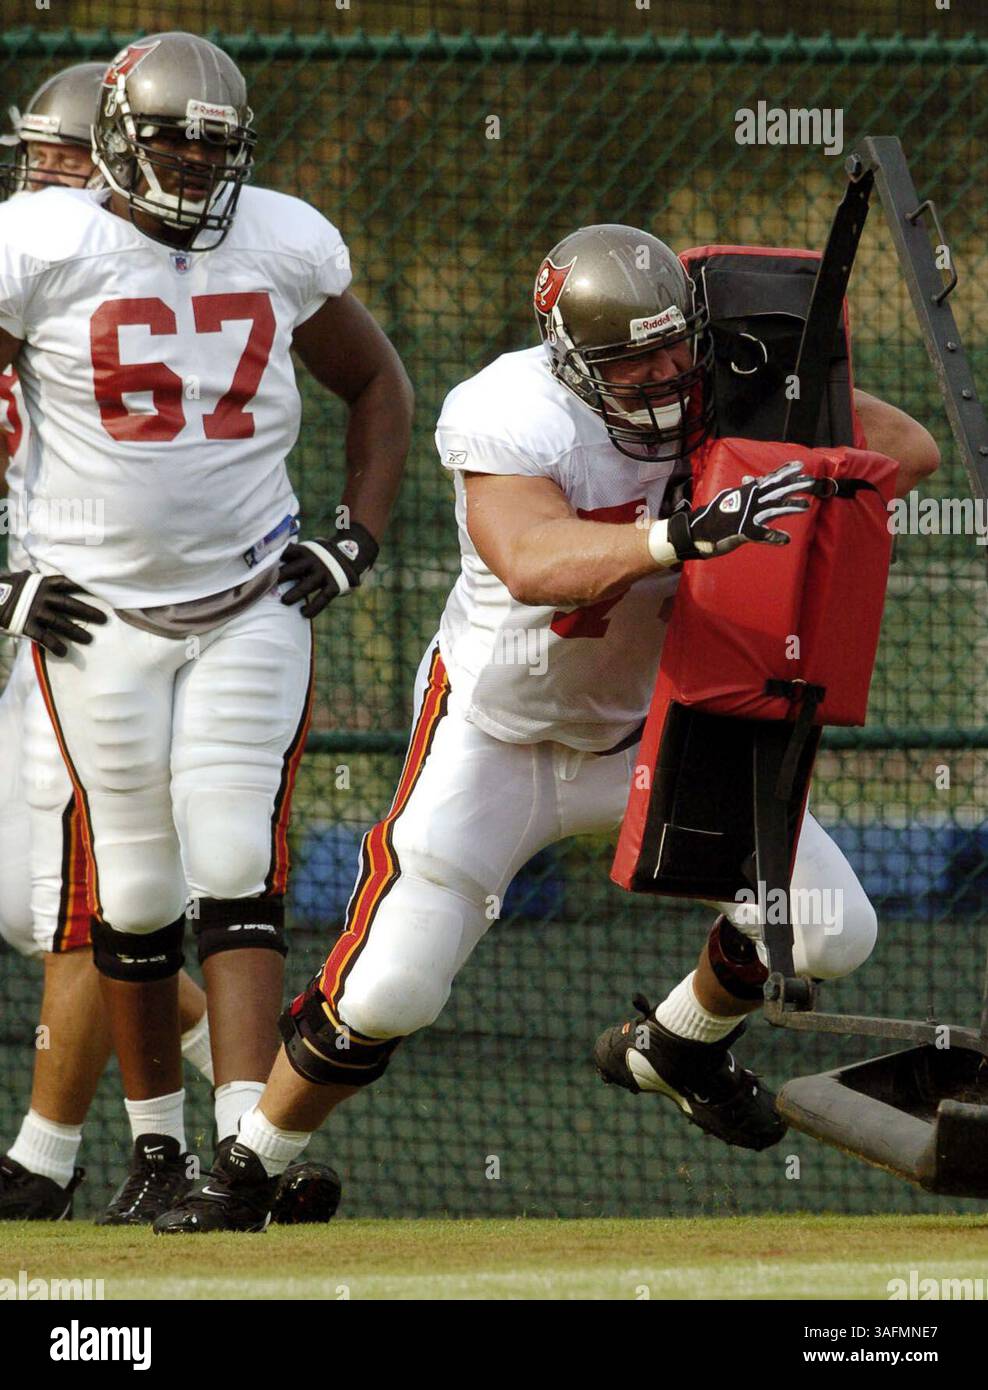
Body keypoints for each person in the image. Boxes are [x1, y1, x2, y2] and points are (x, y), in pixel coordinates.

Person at [155, 221, 937, 1232]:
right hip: (495, 732)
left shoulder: (720, 389)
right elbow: (530, 556)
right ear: (570, 359)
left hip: (654, 733)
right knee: (390, 987)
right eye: (630, 359)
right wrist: (675, 536)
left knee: (832, 930)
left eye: (674, 348)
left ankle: (677, 1041)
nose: (661, 376)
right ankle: (247, 1172)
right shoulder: (509, 408)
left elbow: (907, 452)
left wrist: (798, 390)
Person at [0, 32, 413, 1225]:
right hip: (95, 610)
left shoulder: (280, 237)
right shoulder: (44, 241)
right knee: (128, 888)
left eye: (213, 144)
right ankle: (156, 1153)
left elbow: (375, 382)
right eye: (173, 137)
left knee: (234, 860)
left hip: (252, 595)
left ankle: (245, 1154)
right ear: (116, 143)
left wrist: (355, 533)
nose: (191, 162)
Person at [0, 61, 214, 1223]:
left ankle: (53, 1154)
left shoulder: (148, 280)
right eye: (34, 155)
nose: (42, 180)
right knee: (42, 902)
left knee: (79, 896)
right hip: (38, 606)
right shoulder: (37, 265)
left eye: (66, 158)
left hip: (100, 622)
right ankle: (264, 1066)